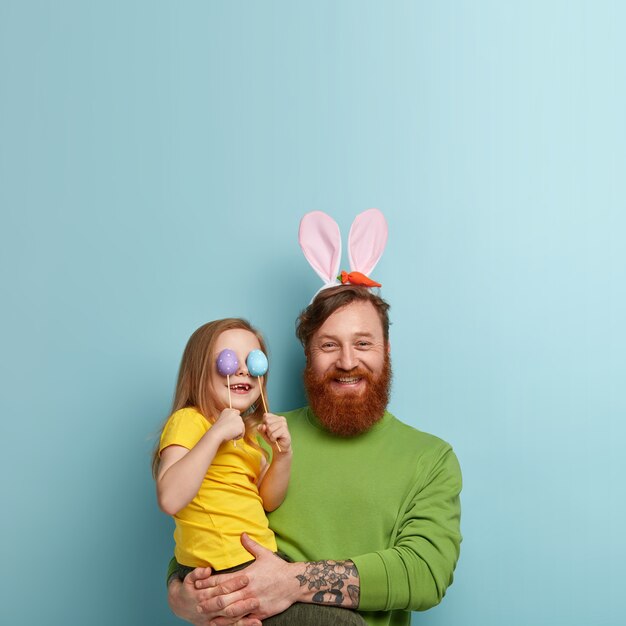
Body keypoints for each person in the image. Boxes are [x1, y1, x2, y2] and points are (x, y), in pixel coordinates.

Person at [167, 287, 463, 626]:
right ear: (309, 354)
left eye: (363, 343)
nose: (348, 361)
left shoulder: (430, 458)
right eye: (329, 345)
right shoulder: (255, 436)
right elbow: (201, 528)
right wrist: (181, 594)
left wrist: (291, 583)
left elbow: (426, 573)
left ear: (387, 351)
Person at [153, 318, 293, 584]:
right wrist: (215, 434)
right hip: (223, 564)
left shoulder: (250, 434)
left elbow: (268, 501)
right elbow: (170, 499)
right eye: (228, 360)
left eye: (253, 360)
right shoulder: (190, 420)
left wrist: (283, 454)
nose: (243, 371)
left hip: (258, 559)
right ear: (198, 372)